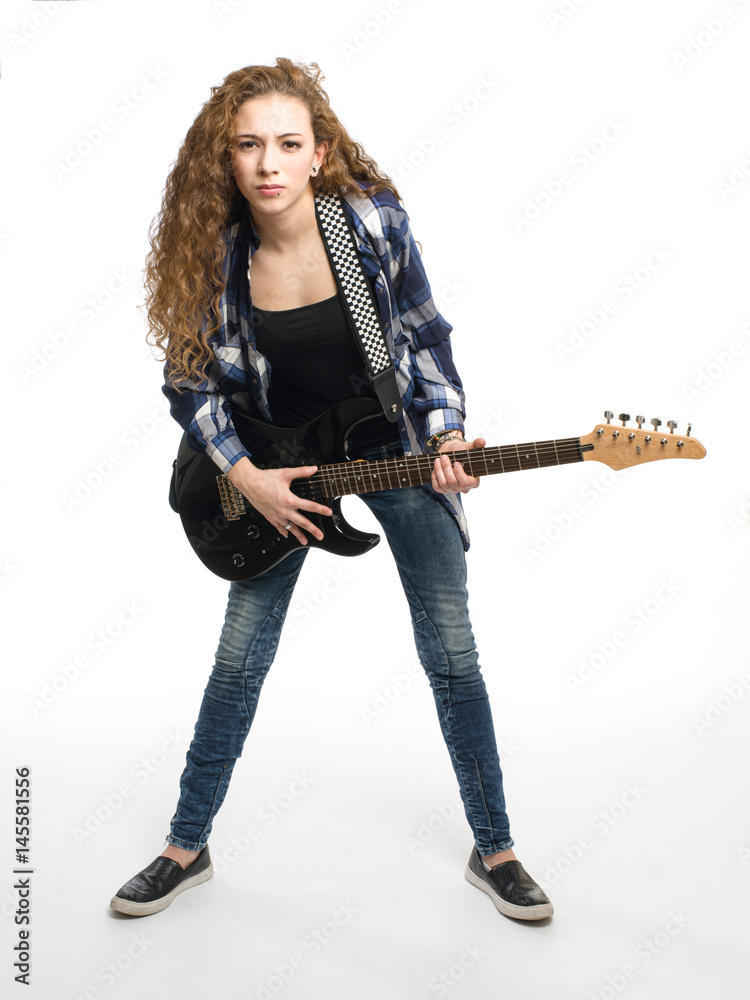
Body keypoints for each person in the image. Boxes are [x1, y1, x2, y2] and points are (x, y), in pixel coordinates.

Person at [109, 57, 552, 922]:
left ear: (319, 152)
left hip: (393, 455)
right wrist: (248, 476)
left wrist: (449, 435)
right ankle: (184, 845)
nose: (268, 163)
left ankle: (494, 847)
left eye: (287, 143)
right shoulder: (218, 253)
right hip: (274, 477)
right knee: (239, 665)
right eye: (247, 146)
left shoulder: (370, 225)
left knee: (453, 659)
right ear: (225, 160)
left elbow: (426, 339)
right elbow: (189, 383)